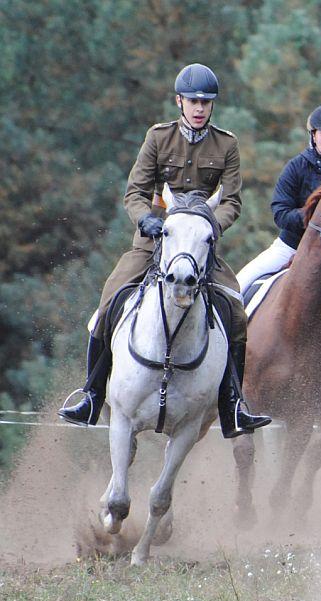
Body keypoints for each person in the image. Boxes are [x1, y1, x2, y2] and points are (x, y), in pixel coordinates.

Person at [58, 63, 271, 438]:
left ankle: (233, 406)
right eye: (193, 101)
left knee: (235, 311)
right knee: (109, 301)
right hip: (154, 242)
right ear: (180, 101)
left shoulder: (227, 144)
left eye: (206, 102)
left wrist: (208, 225)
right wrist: (146, 220)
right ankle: (91, 394)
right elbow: (134, 193)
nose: (200, 107)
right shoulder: (158, 138)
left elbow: (233, 202)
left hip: (200, 246)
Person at [236, 102, 321, 414]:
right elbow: (279, 211)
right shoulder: (297, 167)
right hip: (288, 249)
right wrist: (314, 220)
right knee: (235, 293)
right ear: (314, 136)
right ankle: (227, 380)